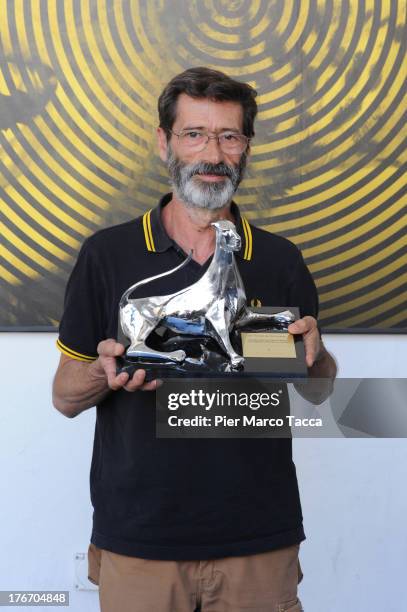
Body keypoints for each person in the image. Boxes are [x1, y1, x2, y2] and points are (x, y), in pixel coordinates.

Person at [53, 66, 336, 612]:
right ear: (165, 143)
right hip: (140, 542)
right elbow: (65, 397)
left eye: (229, 136)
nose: (213, 152)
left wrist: (316, 355)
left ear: (246, 148)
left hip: (259, 539)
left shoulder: (281, 259)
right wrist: (102, 372)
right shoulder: (107, 255)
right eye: (194, 134)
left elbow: (319, 396)